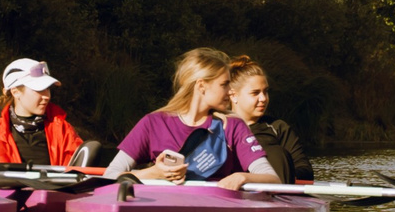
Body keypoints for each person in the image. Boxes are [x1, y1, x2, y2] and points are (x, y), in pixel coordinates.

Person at [104, 47, 279, 188]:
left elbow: (272, 179)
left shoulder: (233, 125)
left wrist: (242, 177)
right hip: (163, 211)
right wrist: (153, 173)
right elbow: (110, 177)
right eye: (224, 84)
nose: (230, 91)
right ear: (202, 85)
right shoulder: (153, 122)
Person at [0, 57, 87, 168]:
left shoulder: (63, 130)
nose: (47, 96)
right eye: (39, 89)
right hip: (3, 192)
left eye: (47, 89)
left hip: (53, 192)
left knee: (92, 147)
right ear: (16, 92)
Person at [227, 56, 310, 185]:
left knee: (276, 153)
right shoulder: (217, 127)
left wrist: (277, 171)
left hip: (279, 190)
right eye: (255, 93)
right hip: (233, 192)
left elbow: (305, 172)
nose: (263, 98)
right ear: (233, 96)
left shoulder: (278, 127)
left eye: (265, 92)